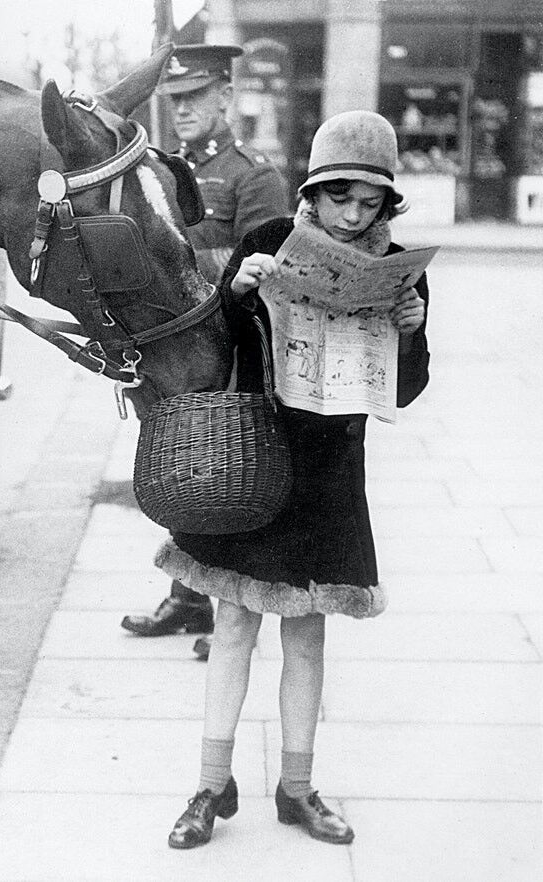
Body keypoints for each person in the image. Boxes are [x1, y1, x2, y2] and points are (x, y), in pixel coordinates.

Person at [162, 109, 430, 849]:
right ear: (312, 191)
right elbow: (212, 350)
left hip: (329, 476)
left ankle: (297, 788)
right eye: (340, 198)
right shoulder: (267, 242)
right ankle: (210, 787)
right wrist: (237, 293)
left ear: (386, 204)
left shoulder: (399, 269)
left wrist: (410, 331)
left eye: (369, 202)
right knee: (233, 624)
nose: (353, 216)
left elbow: (407, 390)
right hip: (254, 462)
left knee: (307, 634)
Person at [121, 44, 288, 659]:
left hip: (233, 352)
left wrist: (179, 266)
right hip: (175, 355)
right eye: (176, 100)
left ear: (225, 97)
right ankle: (188, 598)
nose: (183, 110)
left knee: (232, 481)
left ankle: (234, 616)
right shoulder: (161, 172)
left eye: (195, 97)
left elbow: (268, 268)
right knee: (183, 474)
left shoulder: (254, 176)